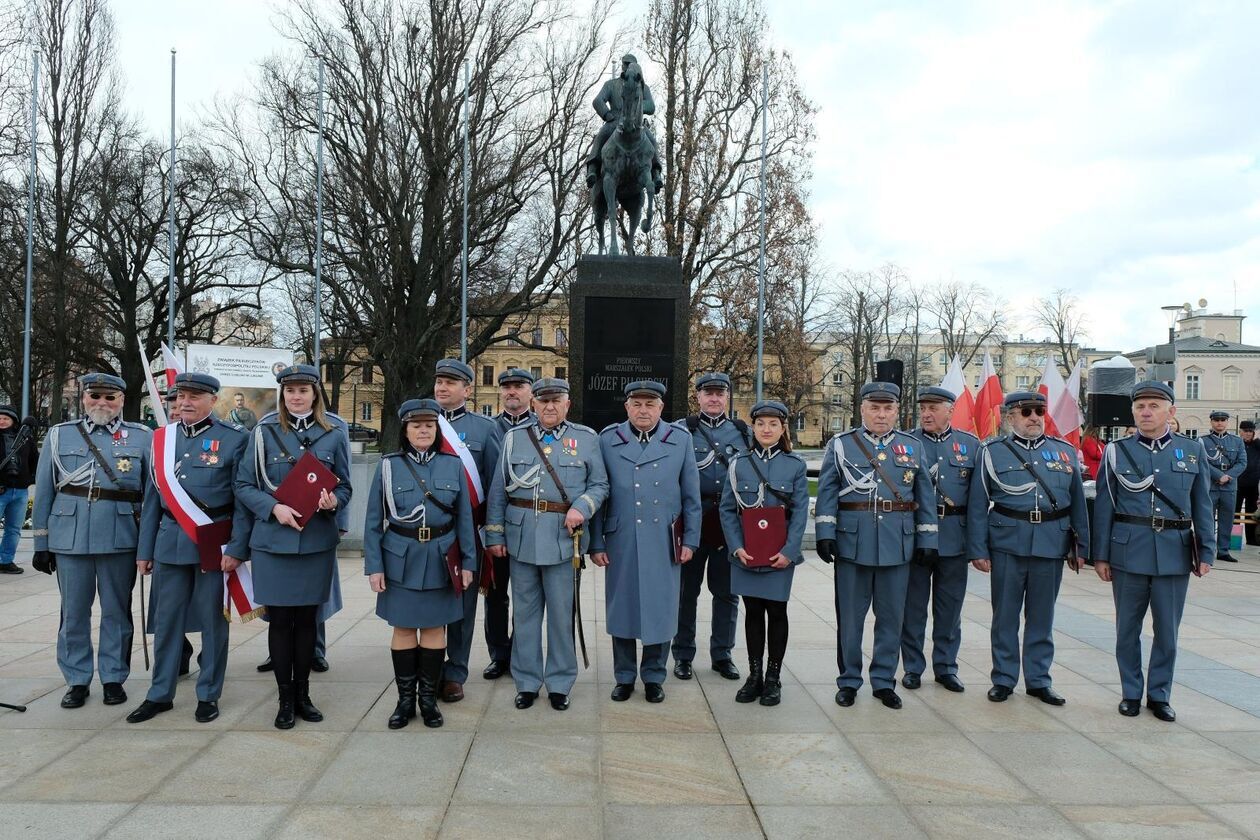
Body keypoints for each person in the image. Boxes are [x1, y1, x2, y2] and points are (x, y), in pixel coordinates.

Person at [126, 373, 252, 724]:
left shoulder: (234, 439)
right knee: (166, 623)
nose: (185, 402)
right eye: (181, 395)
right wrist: (144, 549)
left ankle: (208, 694)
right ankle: (159, 693)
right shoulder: (161, 440)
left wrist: (238, 547)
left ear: (213, 400)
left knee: (214, 622)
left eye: (195, 396)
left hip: (213, 543)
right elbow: (153, 500)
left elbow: (242, 500)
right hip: (168, 542)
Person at [235, 364, 351, 729]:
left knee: (307, 623)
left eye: (303, 390)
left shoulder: (334, 432)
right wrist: (274, 508)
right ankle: (285, 699)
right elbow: (244, 485)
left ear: (315, 393)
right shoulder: (264, 431)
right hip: (273, 542)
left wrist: (335, 501)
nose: (296, 396)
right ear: (282, 394)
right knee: (280, 622)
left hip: (315, 543)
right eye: (290, 391)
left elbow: (345, 485)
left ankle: (304, 694)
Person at [1091, 381, 1214, 722]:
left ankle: (1159, 694)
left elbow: (1201, 503)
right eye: (1140, 406)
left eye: (1154, 406)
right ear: (1132, 411)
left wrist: (1206, 550)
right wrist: (1100, 554)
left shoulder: (1193, 451)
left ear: (1170, 412)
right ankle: (1131, 692)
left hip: (1175, 552)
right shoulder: (1116, 451)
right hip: (1128, 550)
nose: (1146, 411)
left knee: (1168, 632)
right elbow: (1104, 506)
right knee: (1127, 629)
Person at [485, 378, 608, 711]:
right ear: (534, 404)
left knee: (560, 615)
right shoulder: (513, 438)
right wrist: (494, 534)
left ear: (567, 404)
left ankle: (559, 682)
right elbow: (498, 491)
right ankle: (526, 681)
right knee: (524, 615)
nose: (550, 407)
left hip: (563, 540)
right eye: (543, 401)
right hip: (521, 536)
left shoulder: (586, 439)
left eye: (557, 401)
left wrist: (582, 506)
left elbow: (599, 485)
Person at [31, 373, 152, 708]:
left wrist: (147, 545)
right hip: (69, 538)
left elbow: (150, 496)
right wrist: (42, 544)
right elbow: (44, 491)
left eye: (110, 397)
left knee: (117, 612)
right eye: (95, 395)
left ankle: (113, 676)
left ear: (122, 401)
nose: (102, 403)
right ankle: (77, 679)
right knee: (73, 615)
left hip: (120, 538)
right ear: (83, 397)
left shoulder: (142, 437)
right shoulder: (59, 435)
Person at [815, 381, 938, 710]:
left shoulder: (912, 447)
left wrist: (928, 538)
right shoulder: (841, 445)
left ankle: (884, 680)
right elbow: (827, 491)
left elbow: (925, 497)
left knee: (891, 618)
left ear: (897, 410)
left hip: (898, 544)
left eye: (888, 408)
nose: (881, 415)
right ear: (863, 409)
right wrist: (825, 532)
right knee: (850, 619)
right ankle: (849, 680)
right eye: (875, 407)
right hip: (852, 544)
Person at [967, 391, 1090, 706]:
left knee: (1042, 617)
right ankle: (1004, 679)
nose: (1035, 417)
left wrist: (1083, 546)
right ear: (1010, 417)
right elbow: (978, 505)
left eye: (1039, 411)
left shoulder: (1063, 452)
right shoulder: (992, 452)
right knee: (1005, 617)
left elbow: (1078, 502)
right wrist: (978, 549)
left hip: (1051, 542)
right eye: (1027, 412)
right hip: (1008, 543)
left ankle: (1038, 680)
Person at [365, 399, 476, 729]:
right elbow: (373, 520)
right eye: (416, 425)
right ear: (405, 430)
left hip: (442, 556)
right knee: (403, 628)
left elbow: (465, 521)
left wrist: (468, 562)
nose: (424, 429)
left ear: (438, 429)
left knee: (433, 628)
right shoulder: (388, 465)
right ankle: (405, 701)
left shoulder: (452, 465)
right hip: (400, 557)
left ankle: (428, 701)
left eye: (430, 424)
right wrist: (374, 566)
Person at [590, 380, 701, 703]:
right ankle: (624, 676)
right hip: (621, 537)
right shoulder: (608, 439)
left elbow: (691, 496)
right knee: (621, 608)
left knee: (660, 608)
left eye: (649, 404)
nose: (643, 410)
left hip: (664, 538)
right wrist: (596, 543)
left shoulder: (680, 440)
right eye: (636, 404)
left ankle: (654, 676)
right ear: (626, 407)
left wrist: (690, 541)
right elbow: (600, 492)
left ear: (661, 407)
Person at [718, 400, 808, 706]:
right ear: (753, 428)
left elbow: (799, 515)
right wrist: (735, 546)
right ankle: (754, 676)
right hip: (747, 553)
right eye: (760, 424)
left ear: (782, 428)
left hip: (779, 554)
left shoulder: (794, 465)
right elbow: (728, 509)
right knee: (753, 612)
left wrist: (790, 551)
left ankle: (773, 678)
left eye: (773, 424)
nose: (766, 429)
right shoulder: (739, 463)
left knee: (777, 612)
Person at [901, 386, 980, 694]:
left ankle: (946, 667)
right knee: (914, 607)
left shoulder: (970, 445)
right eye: (923, 408)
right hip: (917, 537)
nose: (926, 413)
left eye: (933, 408)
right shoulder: (907, 443)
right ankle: (912, 667)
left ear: (950, 410)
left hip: (954, 538)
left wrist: (976, 547)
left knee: (949, 609)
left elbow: (976, 502)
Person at [431, 358, 501, 702]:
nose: (442, 387)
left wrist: (491, 533)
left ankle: (455, 671)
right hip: (428, 530)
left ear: (467, 390)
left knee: (462, 603)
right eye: (439, 381)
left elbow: (494, 485)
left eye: (450, 382)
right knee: (429, 599)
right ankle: (428, 666)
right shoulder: (419, 421)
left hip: (467, 531)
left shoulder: (485, 429)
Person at [673, 372, 748, 682]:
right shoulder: (681, 430)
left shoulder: (742, 432)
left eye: (720, 393)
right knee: (685, 592)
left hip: (728, 522)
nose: (714, 398)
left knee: (727, 593)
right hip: (693, 520)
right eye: (709, 393)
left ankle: (722, 654)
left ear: (727, 397)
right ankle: (682, 655)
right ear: (698, 396)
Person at [482, 367, 537, 681]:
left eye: (518, 386)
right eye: (507, 387)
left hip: (529, 523)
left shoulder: (540, 426)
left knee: (527, 595)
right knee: (496, 594)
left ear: (530, 391)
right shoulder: (489, 428)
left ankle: (521, 653)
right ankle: (498, 654)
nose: (512, 392)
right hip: (496, 524)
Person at [586, 53, 663, 192]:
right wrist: (607, 115)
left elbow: (651, 106)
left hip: (636, 123)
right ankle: (592, 168)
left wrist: (637, 108)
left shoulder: (643, 87)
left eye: (629, 65)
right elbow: (598, 101)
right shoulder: (611, 84)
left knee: (652, 141)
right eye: (625, 64)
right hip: (615, 120)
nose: (626, 67)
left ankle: (656, 173)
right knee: (601, 136)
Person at [0, 405, 39, 574]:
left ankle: (5, 560)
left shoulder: (25, 439)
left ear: (14, 421)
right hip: (1, 490)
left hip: (20, 491)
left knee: (14, 529)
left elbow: (35, 460)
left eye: (6, 418)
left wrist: (30, 479)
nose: (2, 421)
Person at [1203, 411, 1245, 562]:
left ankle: (1223, 551)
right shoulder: (1203, 441)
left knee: (1226, 520)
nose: (1219, 423)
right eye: (1216, 420)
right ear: (1211, 422)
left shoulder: (1237, 441)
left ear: (1227, 422)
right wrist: (1218, 475)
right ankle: (1206, 549)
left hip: (1229, 486)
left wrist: (1228, 476)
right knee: (1207, 519)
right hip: (1210, 485)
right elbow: (1201, 462)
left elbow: (1242, 462)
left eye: (1223, 420)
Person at [1237, 419, 1259, 547]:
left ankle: (1252, 539)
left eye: (1251, 431)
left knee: (1252, 513)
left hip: (1253, 484)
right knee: (1235, 511)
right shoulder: (1237, 443)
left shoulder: (1257, 444)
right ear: (1240, 431)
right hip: (1238, 484)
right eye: (1246, 431)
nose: (1248, 433)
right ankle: (1234, 538)